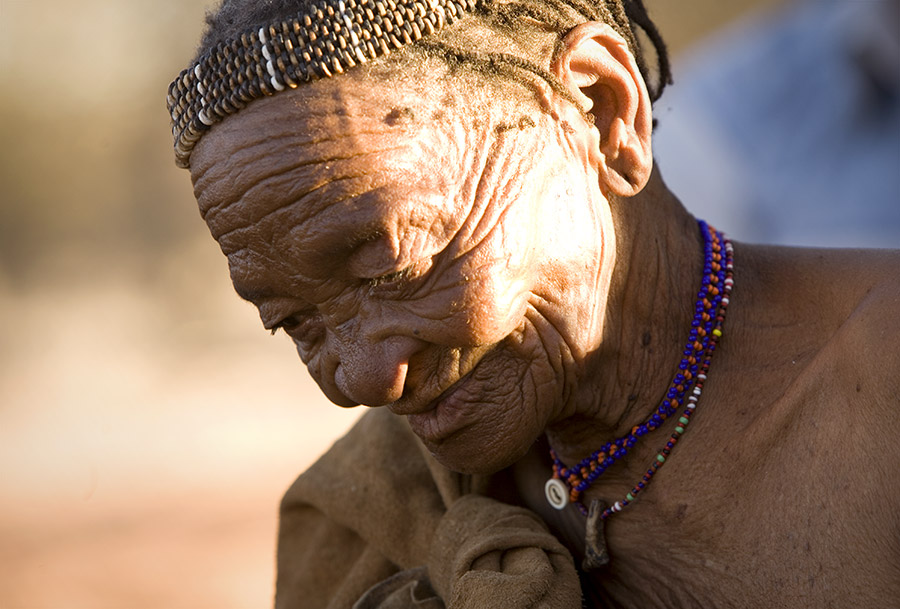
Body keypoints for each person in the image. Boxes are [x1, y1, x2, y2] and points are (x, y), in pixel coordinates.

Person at [167, 0, 900, 606]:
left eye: (394, 269)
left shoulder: (880, 385)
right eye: (294, 321)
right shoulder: (364, 510)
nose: (362, 379)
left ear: (600, 109)